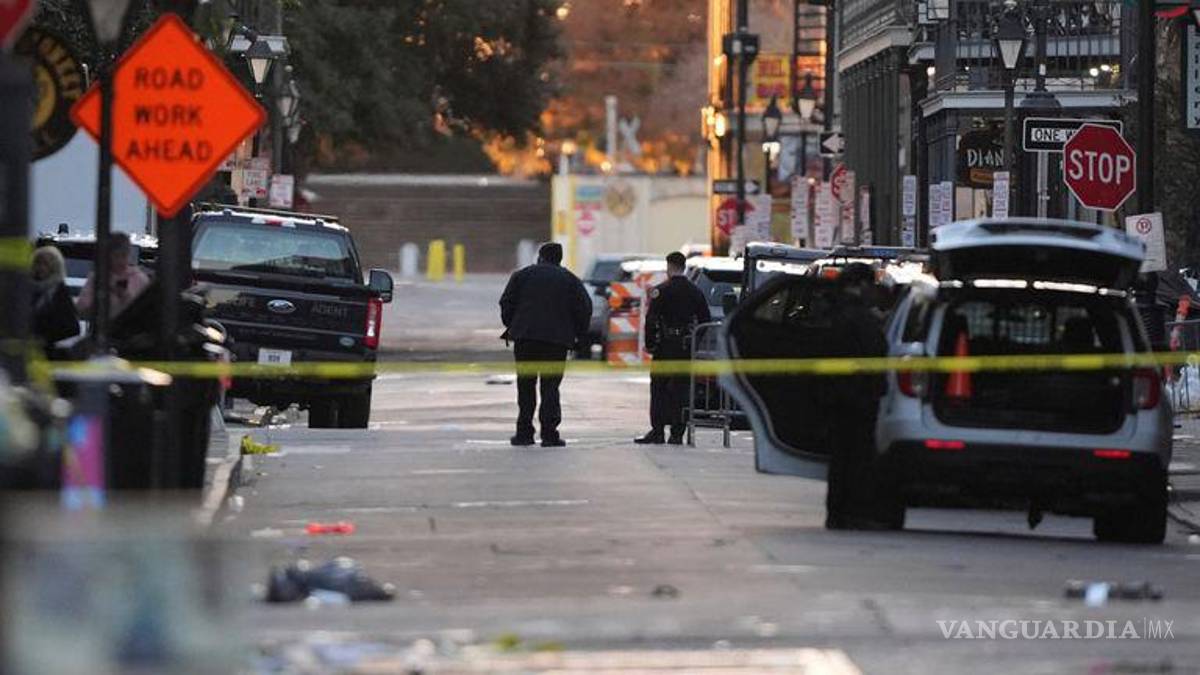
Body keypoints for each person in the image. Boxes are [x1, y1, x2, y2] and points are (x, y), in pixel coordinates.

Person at [499, 242, 592, 447]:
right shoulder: (570, 280)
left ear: (540, 256)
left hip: (525, 339)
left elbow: (506, 302)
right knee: (550, 387)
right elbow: (584, 308)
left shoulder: (522, 276)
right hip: (556, 342)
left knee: (526, 386)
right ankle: (549, 434)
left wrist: (514, 325)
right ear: (559, 259)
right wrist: (577, 334)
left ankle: (524, 433)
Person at [824, 263, 894, 530]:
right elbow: (876, 349)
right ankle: (852, 511)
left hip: (840, 395)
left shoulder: (833, 311)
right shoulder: (858, 316)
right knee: (857, 456)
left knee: (841, 457)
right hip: (858, 396)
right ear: (861, 284)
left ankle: (837, 512)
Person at [635, 251, 711, 445]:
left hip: (664, 346)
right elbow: (705, 320)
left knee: (659, 388)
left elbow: (651, 320)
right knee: (681, 389)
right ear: (684, 267)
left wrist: (650, 344)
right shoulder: (695, 292)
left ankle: (658, 431)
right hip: (684, 347)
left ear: (669, 266)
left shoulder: (661, 290)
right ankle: (677, 433)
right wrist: (694, 341)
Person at [76, 232, 151, 320]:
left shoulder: (139, 279)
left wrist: (125, 297)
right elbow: (81, 311)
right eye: (116, 256)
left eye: (124, 255)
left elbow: (149, 313)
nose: (120, 260)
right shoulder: (97, 278)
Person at [30, 246, 80, 355]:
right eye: (38, 263)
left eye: (45, 264)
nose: (40, 268)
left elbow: (71, 329)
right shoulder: (27, 290)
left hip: (52, 353)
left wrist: (46, 340)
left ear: (55, 267)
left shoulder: (60, 294)